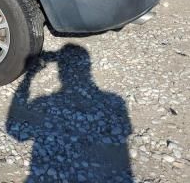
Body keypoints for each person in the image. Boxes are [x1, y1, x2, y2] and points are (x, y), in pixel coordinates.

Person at [7, 44, 133, 182]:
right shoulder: (115, 101)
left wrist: (29, 77)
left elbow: (16, 132)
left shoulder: (43, 103)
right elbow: (123, 131)